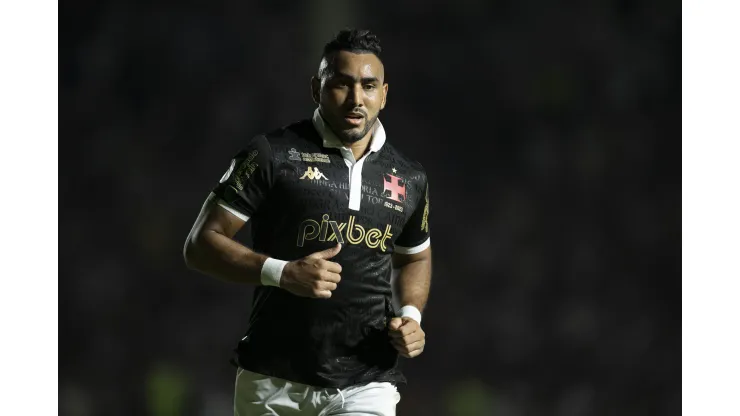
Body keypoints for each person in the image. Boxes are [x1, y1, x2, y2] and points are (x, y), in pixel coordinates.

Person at [183, 28, 432, 415]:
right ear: (316, 88)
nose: (355, 99)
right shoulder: (271, 154)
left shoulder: (409, 177)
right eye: (341, 84)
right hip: (272, 382)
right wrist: (282, 273)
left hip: (367, 382)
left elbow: (415, 256)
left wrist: (411, 316)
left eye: (368, 86)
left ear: (384, 95)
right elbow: (200, 245)